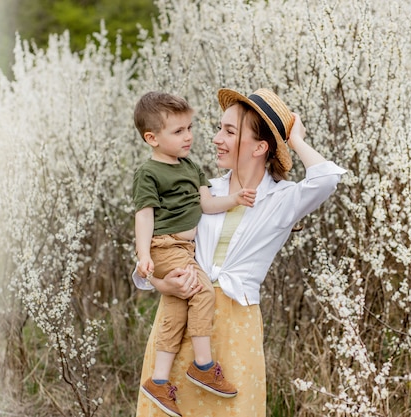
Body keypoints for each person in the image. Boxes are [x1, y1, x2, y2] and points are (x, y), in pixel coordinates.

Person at [133, 88, 347, 416]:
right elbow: (159, 247)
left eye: (229, 132)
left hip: (236, 324)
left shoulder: (281, 199)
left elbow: (327, 179)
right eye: (219, 128)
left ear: (260, 147)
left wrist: (295, 139)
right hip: (179, 317)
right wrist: (164, 285)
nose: (216, 138)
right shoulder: (204, 191)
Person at [132, 91, 258, 417]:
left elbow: (206, 204)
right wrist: (144, 254)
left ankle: (159, 379)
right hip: (165, 246)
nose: (188, 136)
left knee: (177, 307)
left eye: (189, 128)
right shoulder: (150, 173)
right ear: (152, 138)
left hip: (183, 249)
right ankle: (203, 365)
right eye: (178, 132)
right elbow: (144, 214)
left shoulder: (189, 166)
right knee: (201, 291)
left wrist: (236, 199)